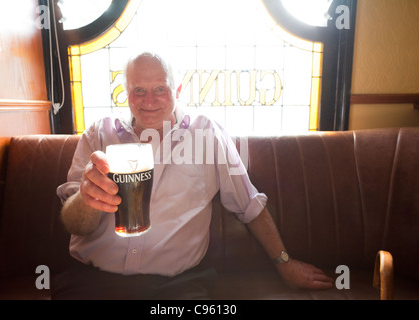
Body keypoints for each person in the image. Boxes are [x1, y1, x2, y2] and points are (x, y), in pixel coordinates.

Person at [53, 51, 333, 299]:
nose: (149, 100)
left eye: (160, 88)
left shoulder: (206, 134)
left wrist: (284, 263)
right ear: (126, 92)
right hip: (94, 281)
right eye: (139, 90)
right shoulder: (99, 135)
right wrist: (86, 199)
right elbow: (75, 223)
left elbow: (249, 204)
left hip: (176, 285)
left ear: (177, 89)